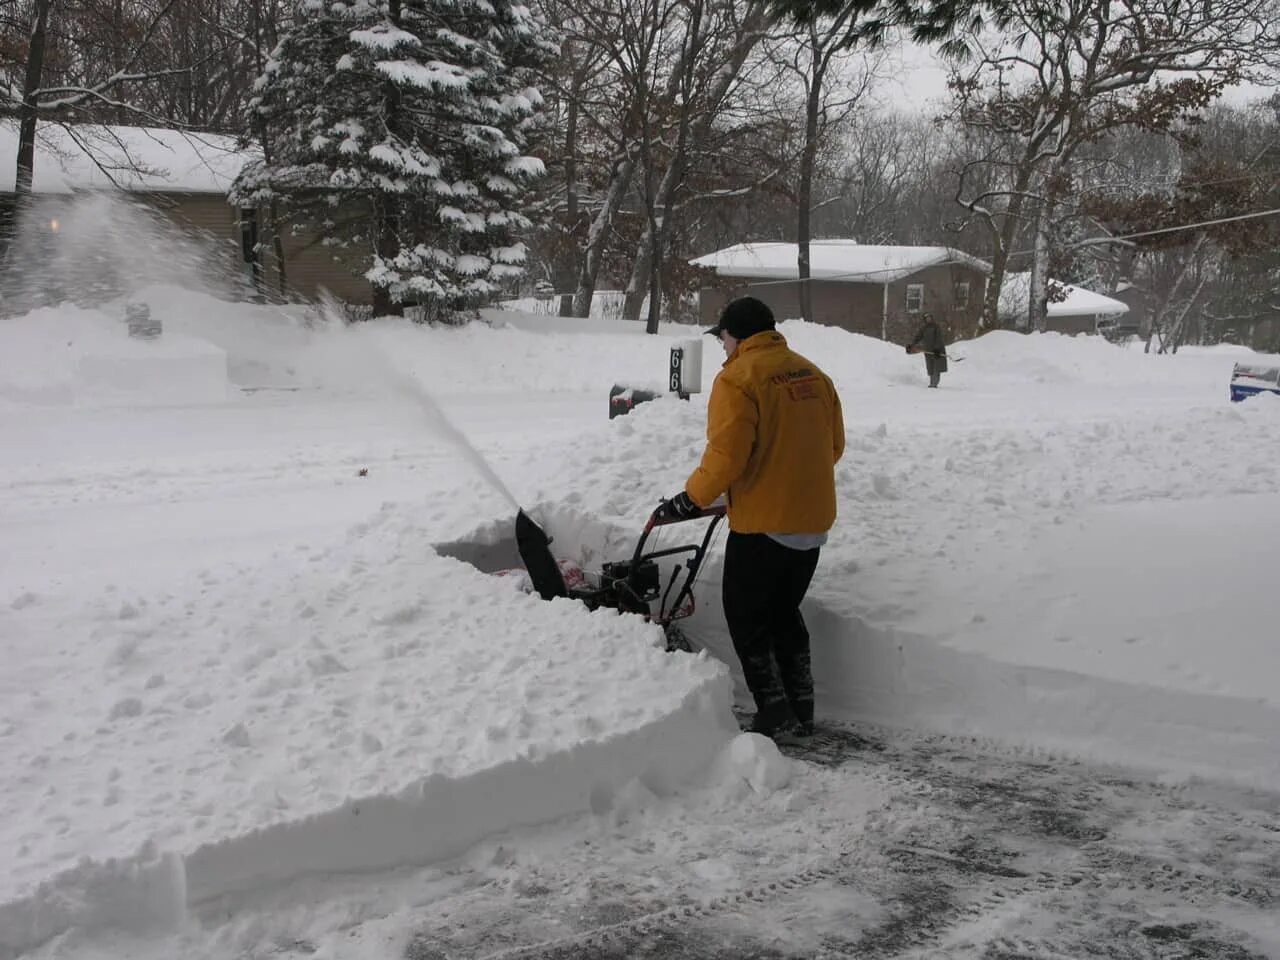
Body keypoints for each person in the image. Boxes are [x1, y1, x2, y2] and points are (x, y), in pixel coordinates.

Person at [658, 296, 845, 741]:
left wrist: (690, 499)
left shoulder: (738, 379)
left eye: (722, 338)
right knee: (783, 612)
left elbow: (727, 456)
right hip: (812, 522)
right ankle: (801, 707)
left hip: (764, 524)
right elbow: (833, 446)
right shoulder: (811, 373)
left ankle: (773, 709)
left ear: (736, 335)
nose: (723, 347)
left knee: (745, 615)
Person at [908, 312, 948, 387]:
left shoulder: (936, 327)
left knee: (936, 367)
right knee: (930, 367)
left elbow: (939, 338)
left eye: (929, 318)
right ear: (925, 320)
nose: (928, 319)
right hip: (928, 351)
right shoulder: (924, 328)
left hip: (937, 350)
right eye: (926, 318)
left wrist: (937, 348)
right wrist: (912, 344)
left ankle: (934, 383)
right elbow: (918, 337)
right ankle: (931, 382)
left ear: (932, 318)